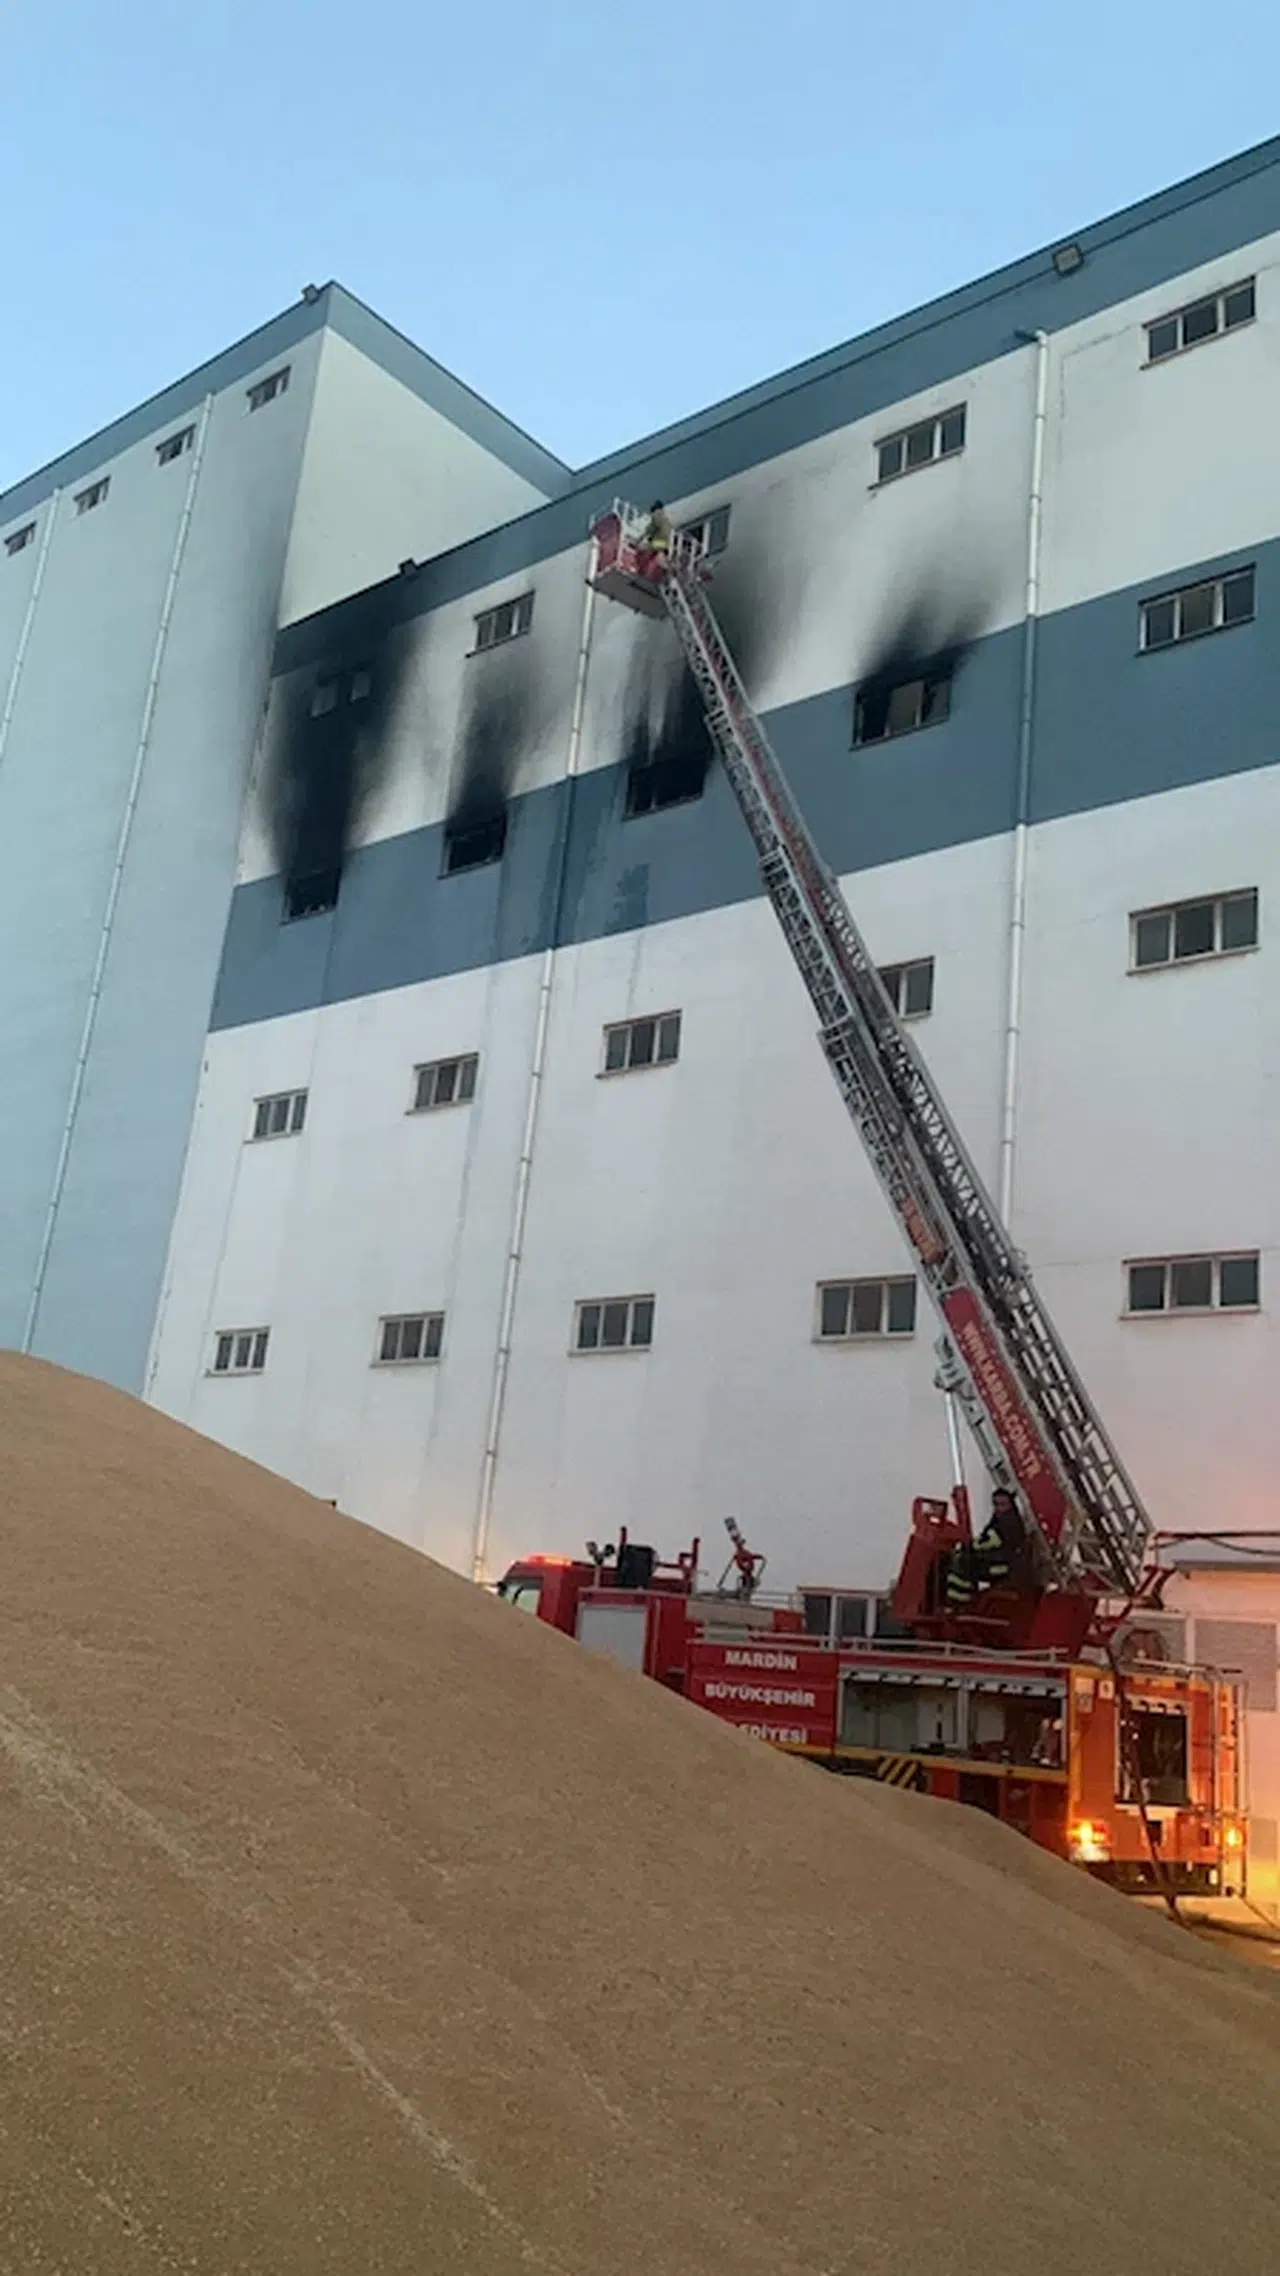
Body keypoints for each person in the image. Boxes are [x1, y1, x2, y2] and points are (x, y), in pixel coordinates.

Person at [945, 1487, 1024, 1606]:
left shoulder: (1008, 1522)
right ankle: (962, 1601)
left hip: (1003, 1566)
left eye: (1002, 1504)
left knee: (962, 1563)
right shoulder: (1002, 1519)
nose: (998, 1508)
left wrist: (969, 1546)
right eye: (996, 1504)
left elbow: (989, 1541)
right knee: (966, 1561)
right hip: (1001, 1562)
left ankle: (958, 1603)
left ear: (1010, 1504)